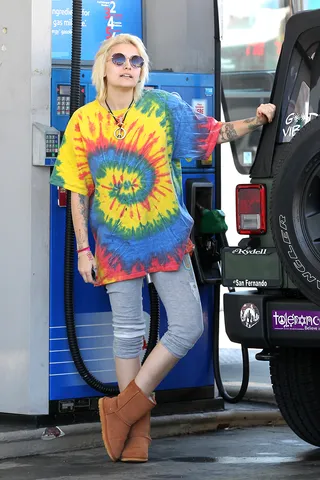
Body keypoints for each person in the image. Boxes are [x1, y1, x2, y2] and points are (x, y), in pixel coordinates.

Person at [50, 33, 276, 463]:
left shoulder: (163, 107)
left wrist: (257, 121)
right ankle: (137, 436)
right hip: (114, 242)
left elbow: (214, 132)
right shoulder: (82, 121)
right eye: (118, 58)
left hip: (166, 235)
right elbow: (78, 190)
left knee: (188, 325)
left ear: (143, 69)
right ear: (103, 67)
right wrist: (83, 249)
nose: (127, 66)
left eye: (136, 60)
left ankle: (120, 408)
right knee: (128, 334)